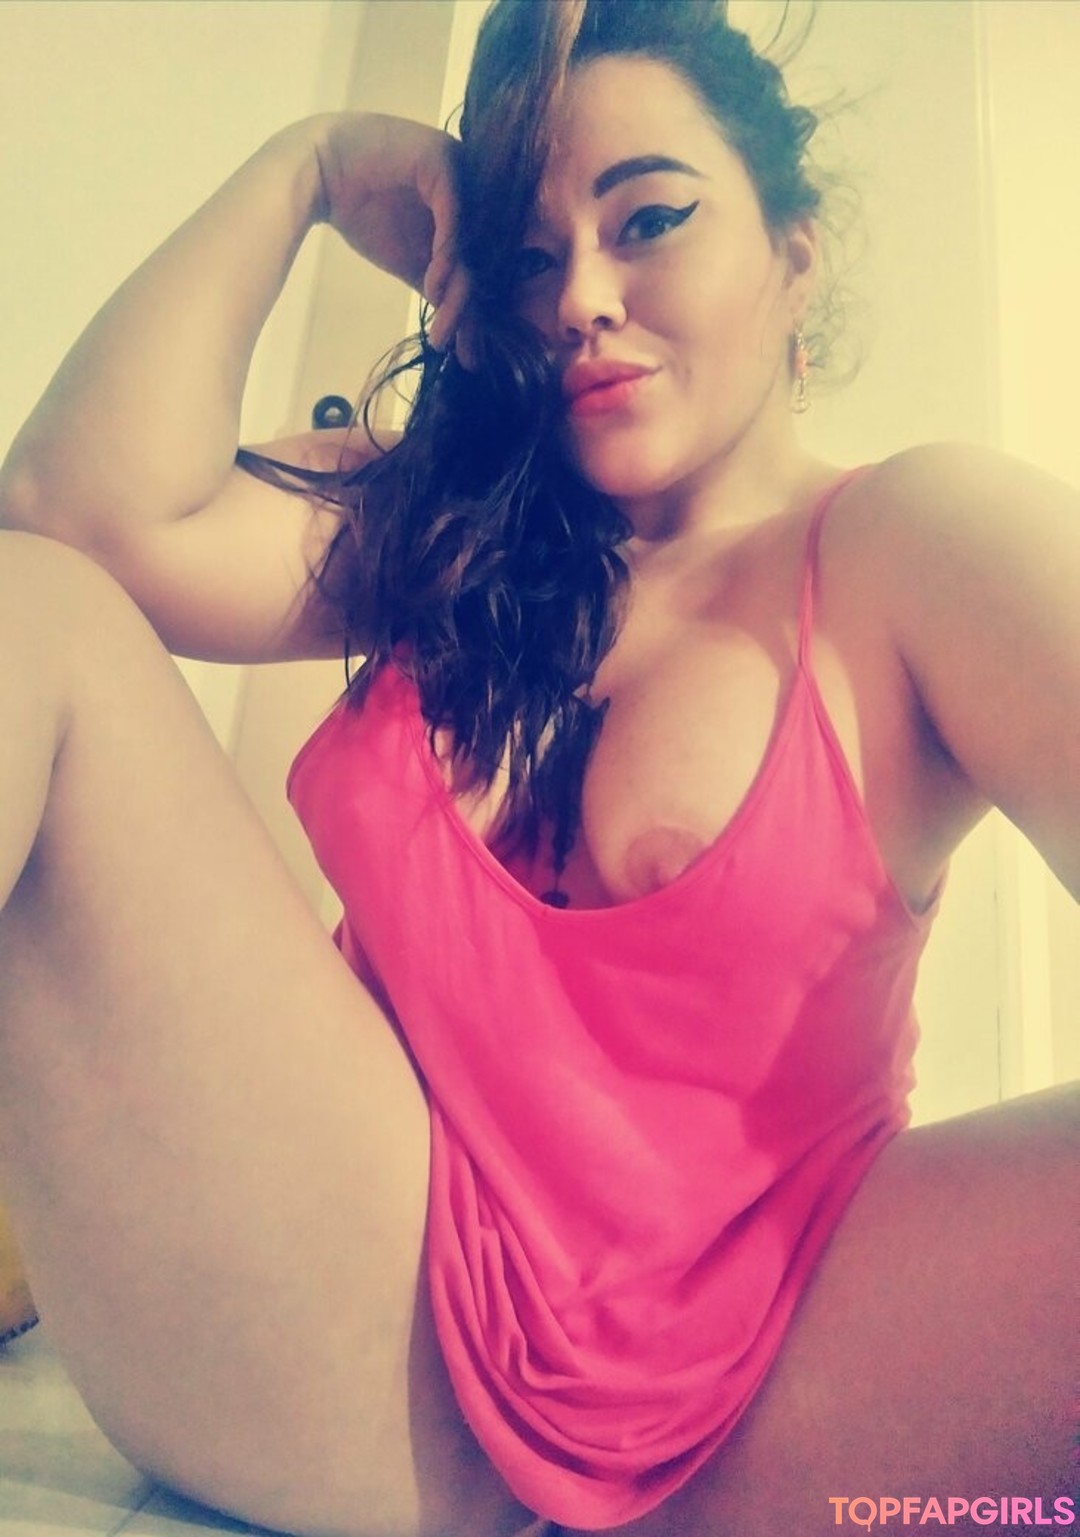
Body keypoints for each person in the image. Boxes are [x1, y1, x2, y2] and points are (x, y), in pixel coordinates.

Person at [0, 1, 1076, 1534]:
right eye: (526, 252)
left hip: (785, 1398)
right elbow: (71, 515)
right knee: (22, 611)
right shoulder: (435, 527)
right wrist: (309, 170)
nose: (578, 296)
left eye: (650, 220)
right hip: (359, 1342)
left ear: (797, 252)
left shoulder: (917, 543)